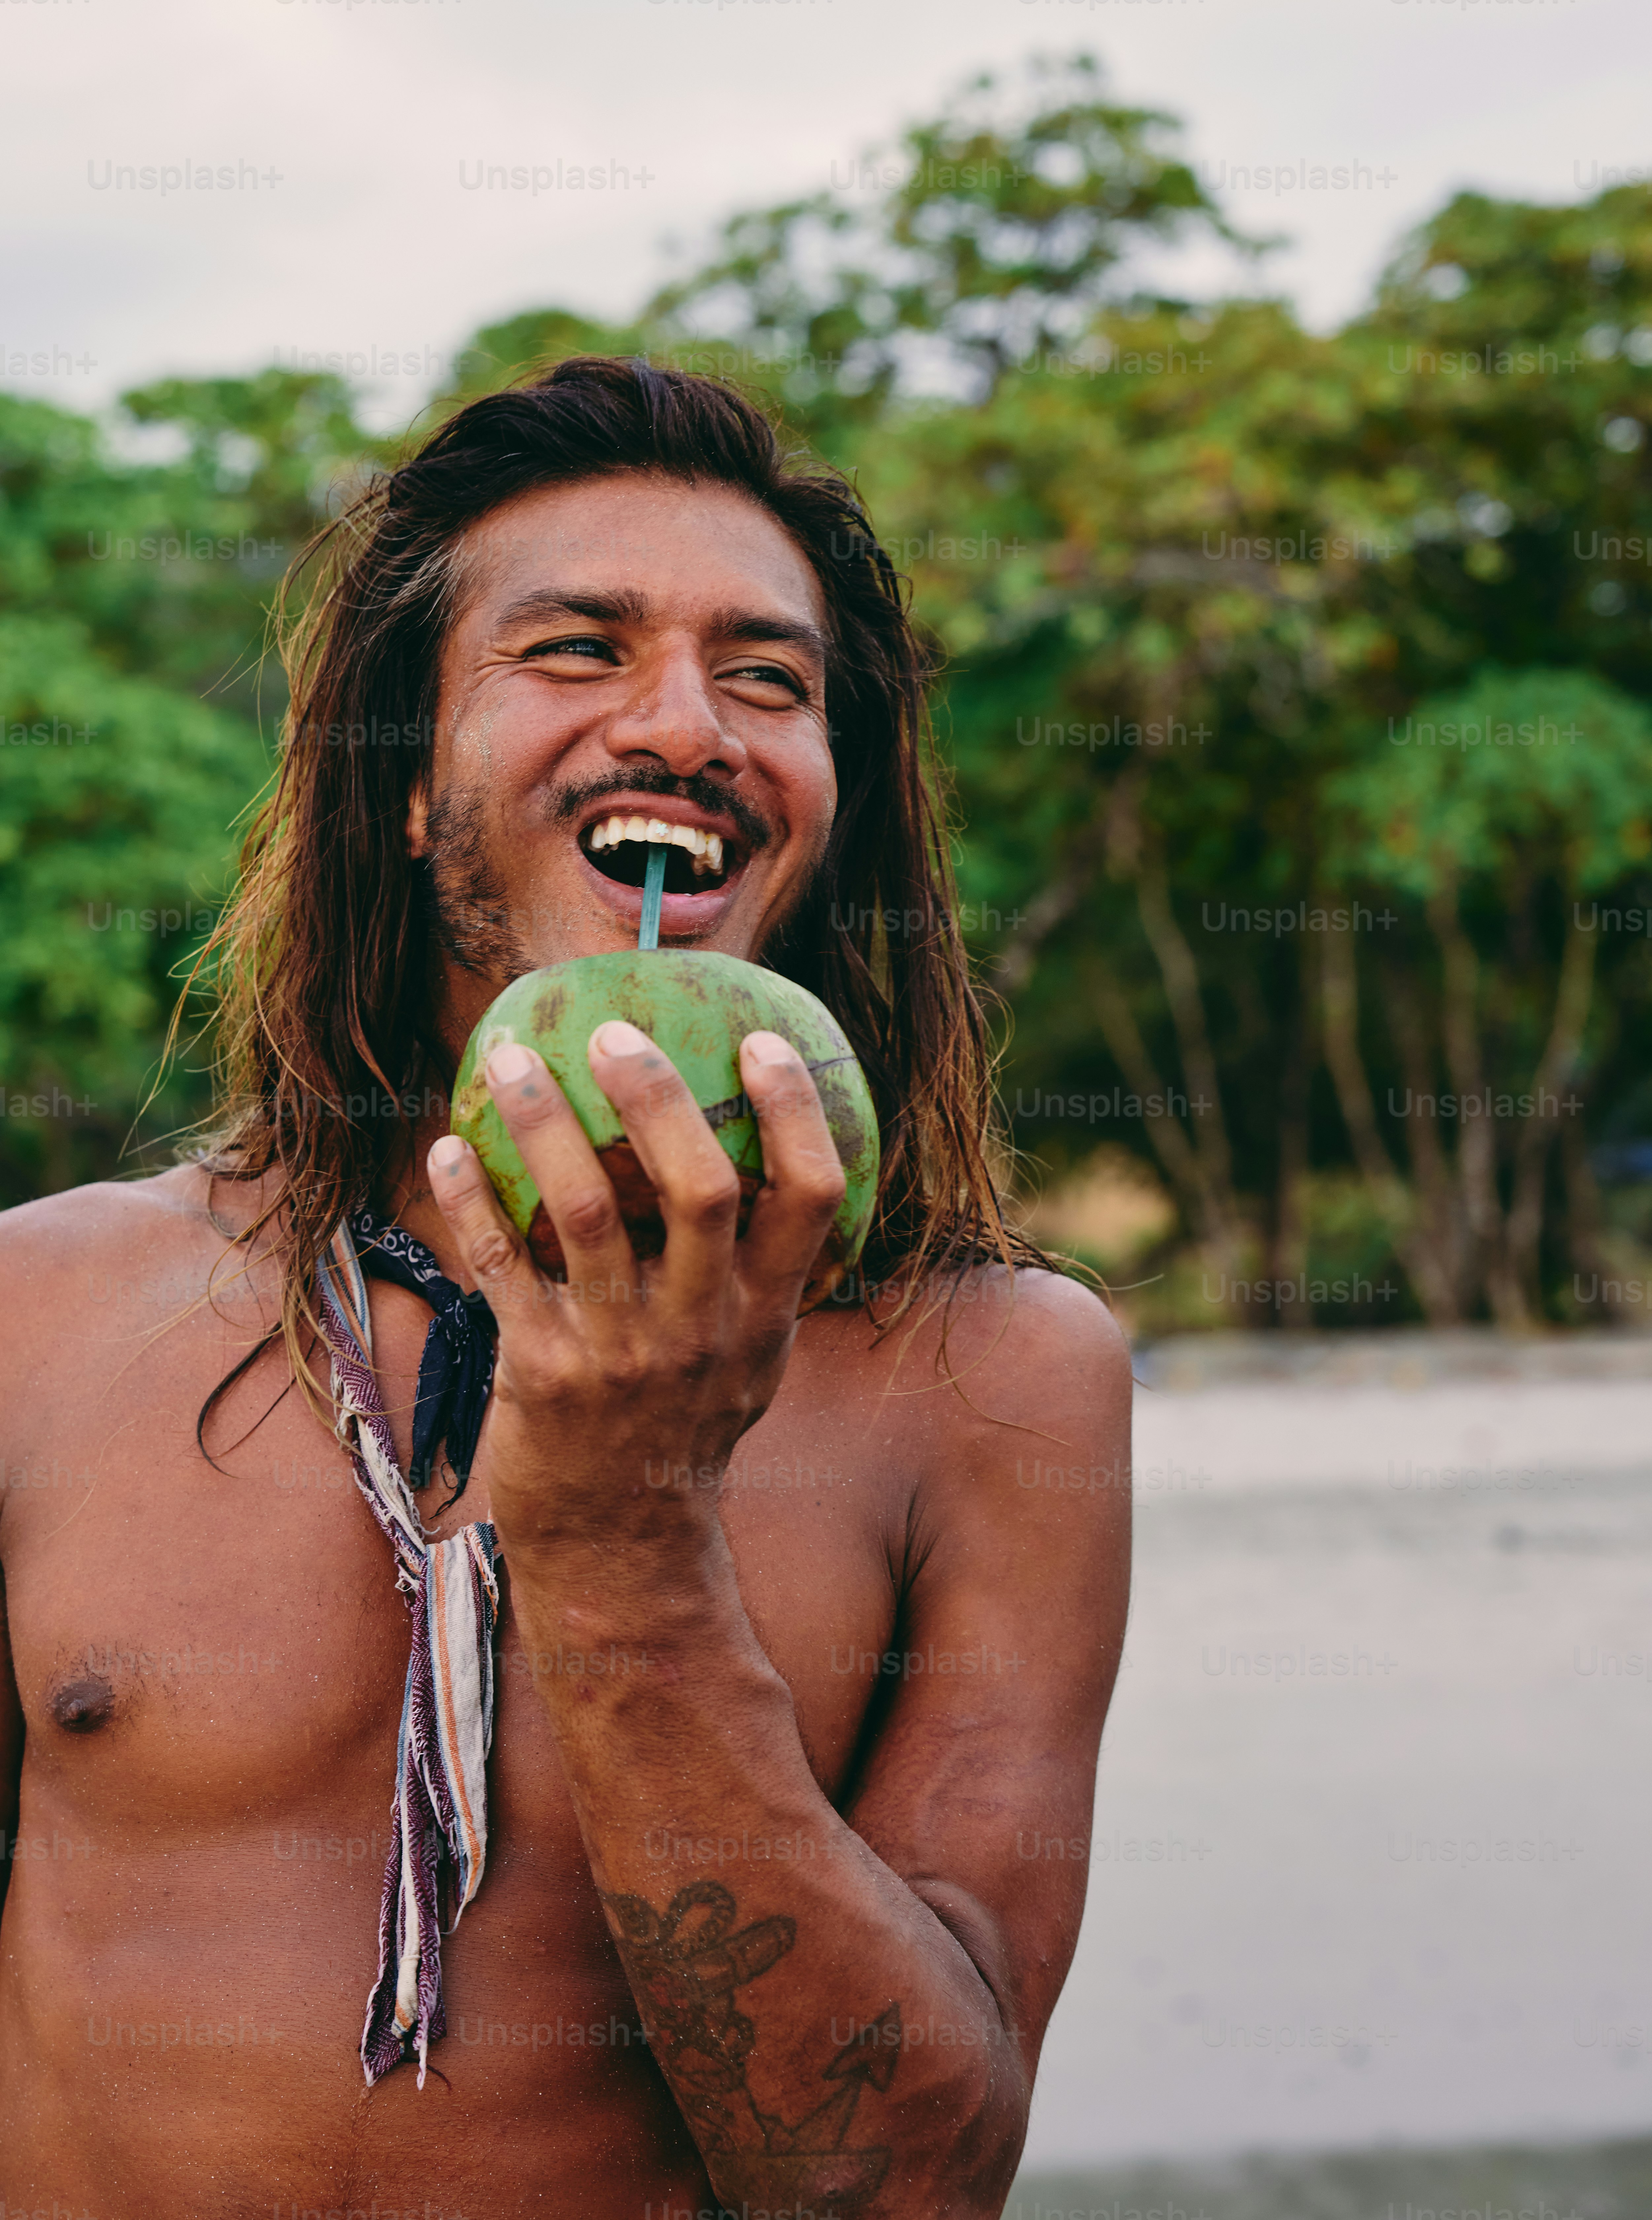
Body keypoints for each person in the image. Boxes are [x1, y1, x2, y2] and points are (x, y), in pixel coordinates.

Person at [0, 358, 1130, 2219]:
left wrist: (626, 1535)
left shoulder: (993, 1380)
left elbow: (899, 2187)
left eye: (769, 680)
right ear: (413, 785)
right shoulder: (44, 1313)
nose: (687, 724)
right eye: (579, 651)